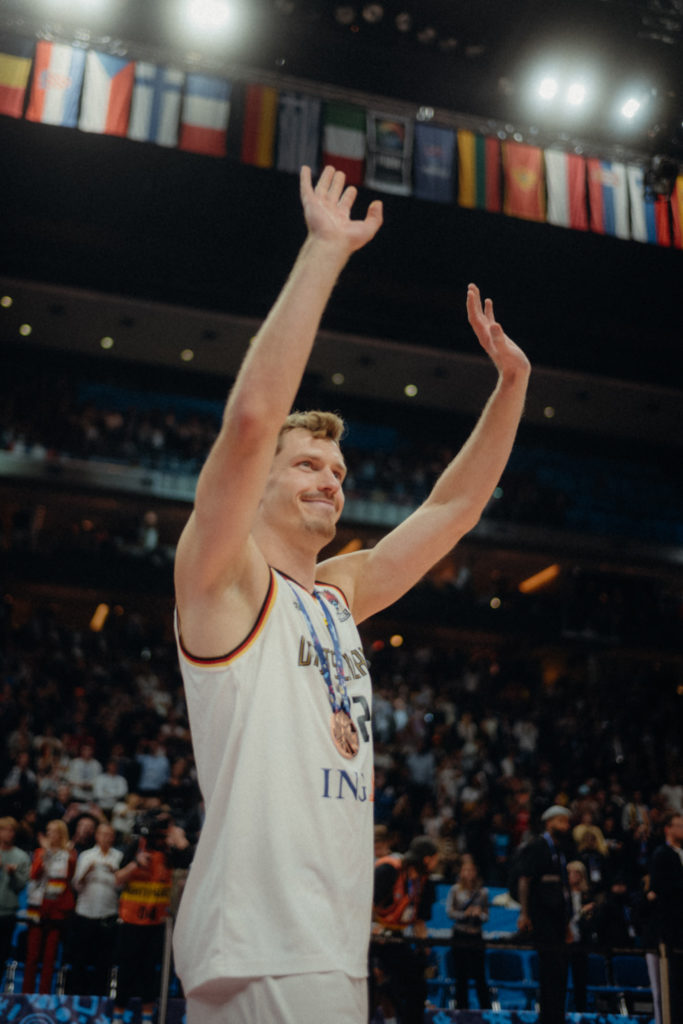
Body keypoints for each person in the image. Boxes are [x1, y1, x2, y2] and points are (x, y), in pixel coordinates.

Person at [172, 164, 531, 1024]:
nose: (331, 481)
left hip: (326, 941)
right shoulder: (221, 578)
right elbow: (255, 419)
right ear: (255, 485)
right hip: (261, 941)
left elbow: (450, 509)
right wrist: (325, 254)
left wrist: (511, 387)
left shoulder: (336, 593)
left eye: (337, 471)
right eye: (307, 466)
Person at [113, 807, 192, 1024]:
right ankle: (118, 1015)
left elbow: (188, 858)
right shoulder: (136, 846)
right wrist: (135, 864)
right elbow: (117, 879)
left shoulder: (169, 850)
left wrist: (178, 838)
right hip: (131, 920)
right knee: (127, 970)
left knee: (151, 973)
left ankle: (148, 1018)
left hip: (157, 921)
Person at [372, 836, 440, 1024]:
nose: (436, 864)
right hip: (369, 937)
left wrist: (424, 949)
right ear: (427, 859)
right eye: (435, 859)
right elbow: (364, 905)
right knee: (370, 987)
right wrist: (372, 930)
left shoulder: (426, 882)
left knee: (416, 985)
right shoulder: (389, 870)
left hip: (395, 938)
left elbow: (419, 921)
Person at [517, 805, 573, 1024]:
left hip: (559, 916)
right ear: (549, 823)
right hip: (542, 914)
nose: (565, 826)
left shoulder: (561, 849)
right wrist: (524, 913)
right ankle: (547, 1018)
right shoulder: (538, 845)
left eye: (567, 822)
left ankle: (556, 1017)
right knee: (549, 969)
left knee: (559, 971)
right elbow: (525, 879)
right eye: (561, 821)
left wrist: (567, 923)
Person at [22, 818, 77, 994]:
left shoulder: (69, 854)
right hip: (37, 908)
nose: (49, 834)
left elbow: (70, 876)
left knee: (49, 957)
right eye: (48, 830)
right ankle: (26, 994)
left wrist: (64, 854)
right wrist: (46, 852)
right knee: (31, 956)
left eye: (53, 831)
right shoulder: (39, 852)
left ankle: (44, 995)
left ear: (60, 834)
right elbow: (35, 874)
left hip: (56, 910)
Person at [69, 822, 122, 996]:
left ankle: (100, 998)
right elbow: (76, 885)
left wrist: (115, 872)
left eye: (109, 834)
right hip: (85, 911)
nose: (105, 838)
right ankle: (76, 996)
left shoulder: (119, 857)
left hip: (108, 913)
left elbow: (123, 888)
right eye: (102, 834)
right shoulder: (86, 855)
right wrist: (86, 872)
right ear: (96, 836)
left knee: (104, 961)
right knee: (79, 959)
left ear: (113, 837)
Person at [648, 811, 683, 1024]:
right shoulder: (662, 854)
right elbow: (661, 889)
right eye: (679, 825)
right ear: (668, 829)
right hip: (670, 929)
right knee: (669, 989)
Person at [445, 854, 491, 1010]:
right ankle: (461, 1009)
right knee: (461, 976)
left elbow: (486, 915)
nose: (469, 873)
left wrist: (479, 914)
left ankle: (486, 1009)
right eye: (466, 870)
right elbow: (450, 912)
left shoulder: (483, 892)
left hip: (476, 934)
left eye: (471, 870)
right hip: (460, 934)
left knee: (480, 976)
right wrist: (464, 914)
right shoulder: (455, 891)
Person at [0, 817, 30, 979]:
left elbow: (21, 886)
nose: (9, 834)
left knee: (2, 955)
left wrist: (12, 875)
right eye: (5, 829)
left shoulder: (21, 856)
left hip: (7, 912)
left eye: (12, 830)